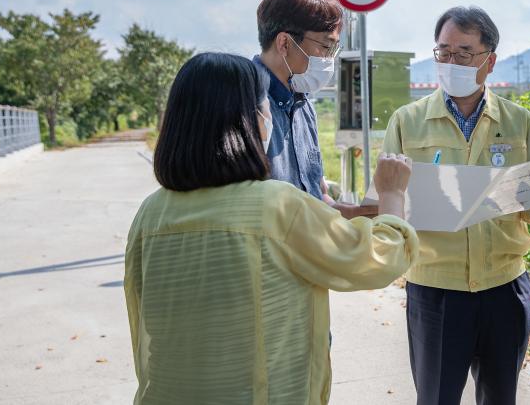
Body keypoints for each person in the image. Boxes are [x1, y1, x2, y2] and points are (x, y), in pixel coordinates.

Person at [124, 52, 418, 405]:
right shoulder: (277, 206)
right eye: (265, 109)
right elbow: (378, 259)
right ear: (249, 122)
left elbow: (142, 319)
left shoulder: (150, 213)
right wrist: (392, 195)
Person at [382, 6, 530, 405]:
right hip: (436, 290)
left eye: (464, 54)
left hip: (504, 287)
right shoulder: (407, 122)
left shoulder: (519, 123)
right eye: (443, 52)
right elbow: (387, 202)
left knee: (501, 397)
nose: (451, 62)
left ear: (490, 60)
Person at [254, 0, 376, 219]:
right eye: (326, 46)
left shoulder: (303, 104)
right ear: (284, 43)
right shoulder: (243, 101)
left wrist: (358, 214)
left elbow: (316, 195)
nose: (329, 59)